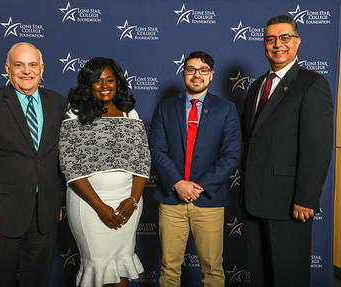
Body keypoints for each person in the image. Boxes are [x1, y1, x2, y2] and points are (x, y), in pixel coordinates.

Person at [240, 15, 333, 287]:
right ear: (264, 45)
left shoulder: (312, 83)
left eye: (284, 38)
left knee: (288, 277)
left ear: (297, 42)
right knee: (261, 277)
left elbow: (318, 147)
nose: (277, 44)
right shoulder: (257, 86)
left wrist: (306, 198)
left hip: (289, 203)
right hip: (253, 200)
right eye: (271, 39)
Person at [0, 42, 67, 287]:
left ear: (41, 69)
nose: (26, 71)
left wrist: (58, 200)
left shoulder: (58, 103)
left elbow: (61, 157)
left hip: (45, 216)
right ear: (8, 70)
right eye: (18, 65)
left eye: (32, 65)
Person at [149, 51, 241, 287]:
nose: (196, 75)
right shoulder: (165, 108)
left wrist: (199, 187)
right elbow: (157, 150)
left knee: (212, 269)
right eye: (191, 70)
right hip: (171, 200)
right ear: (183, 74)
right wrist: (178, 183)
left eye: (203, 70)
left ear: (211, 75)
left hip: (208, 200)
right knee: (169, 268)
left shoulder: (226, 109)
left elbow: (230, 155)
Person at [59, 57, 151, 287]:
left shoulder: (131, 115)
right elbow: (71, 167)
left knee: (120, 264)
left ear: (118, 83)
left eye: (110, 80)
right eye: (97, 81)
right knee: (97, 265)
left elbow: (142, 162)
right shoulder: (74, 116)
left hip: (127, 204)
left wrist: (133, 200)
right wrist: (101, 208)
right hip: (89, 206)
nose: (105, 86)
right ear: (87, 85)